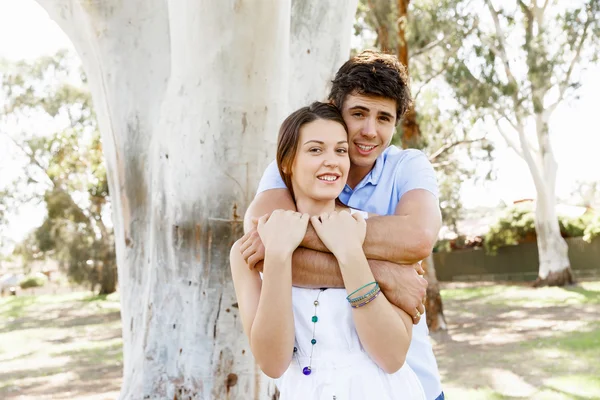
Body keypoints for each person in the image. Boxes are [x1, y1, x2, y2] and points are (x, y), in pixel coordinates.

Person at [241, 50, 444, 400]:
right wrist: (386, 272)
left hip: (412, 379)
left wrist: (299, 236)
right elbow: (262, 241)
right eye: (359, 113)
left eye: (384, 118)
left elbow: (418, 240)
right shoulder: (294, 160)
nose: (369, 131)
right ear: (335, 107)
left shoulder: (407, 166)